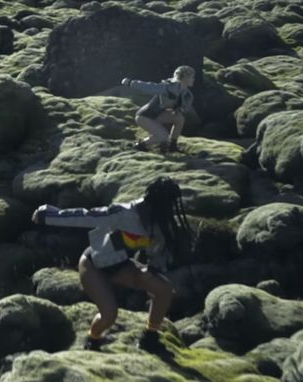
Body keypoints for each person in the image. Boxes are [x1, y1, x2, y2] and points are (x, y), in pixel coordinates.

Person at [31, 176, 192, 354]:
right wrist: (49, 215)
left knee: (164, 289)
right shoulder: (124, 213)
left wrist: (154, 268)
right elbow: (87, 216)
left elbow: (160, 249)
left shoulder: (160, 224)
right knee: (109, 315)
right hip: (93, 265)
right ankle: (93, 340)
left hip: (121, 266)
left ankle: (150, 338)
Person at [121, 66, 196, 153]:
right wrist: (130, 83)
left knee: (179, 118)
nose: (193, 79)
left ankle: (172, 147)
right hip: (144, 116)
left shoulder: (186, 93)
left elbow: (183, 108)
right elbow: (151, 87)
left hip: (158, 115)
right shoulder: (169, 87)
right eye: (192, 77)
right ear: (185, 78)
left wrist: (179, 109)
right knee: (163, 136)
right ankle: (139, 145)